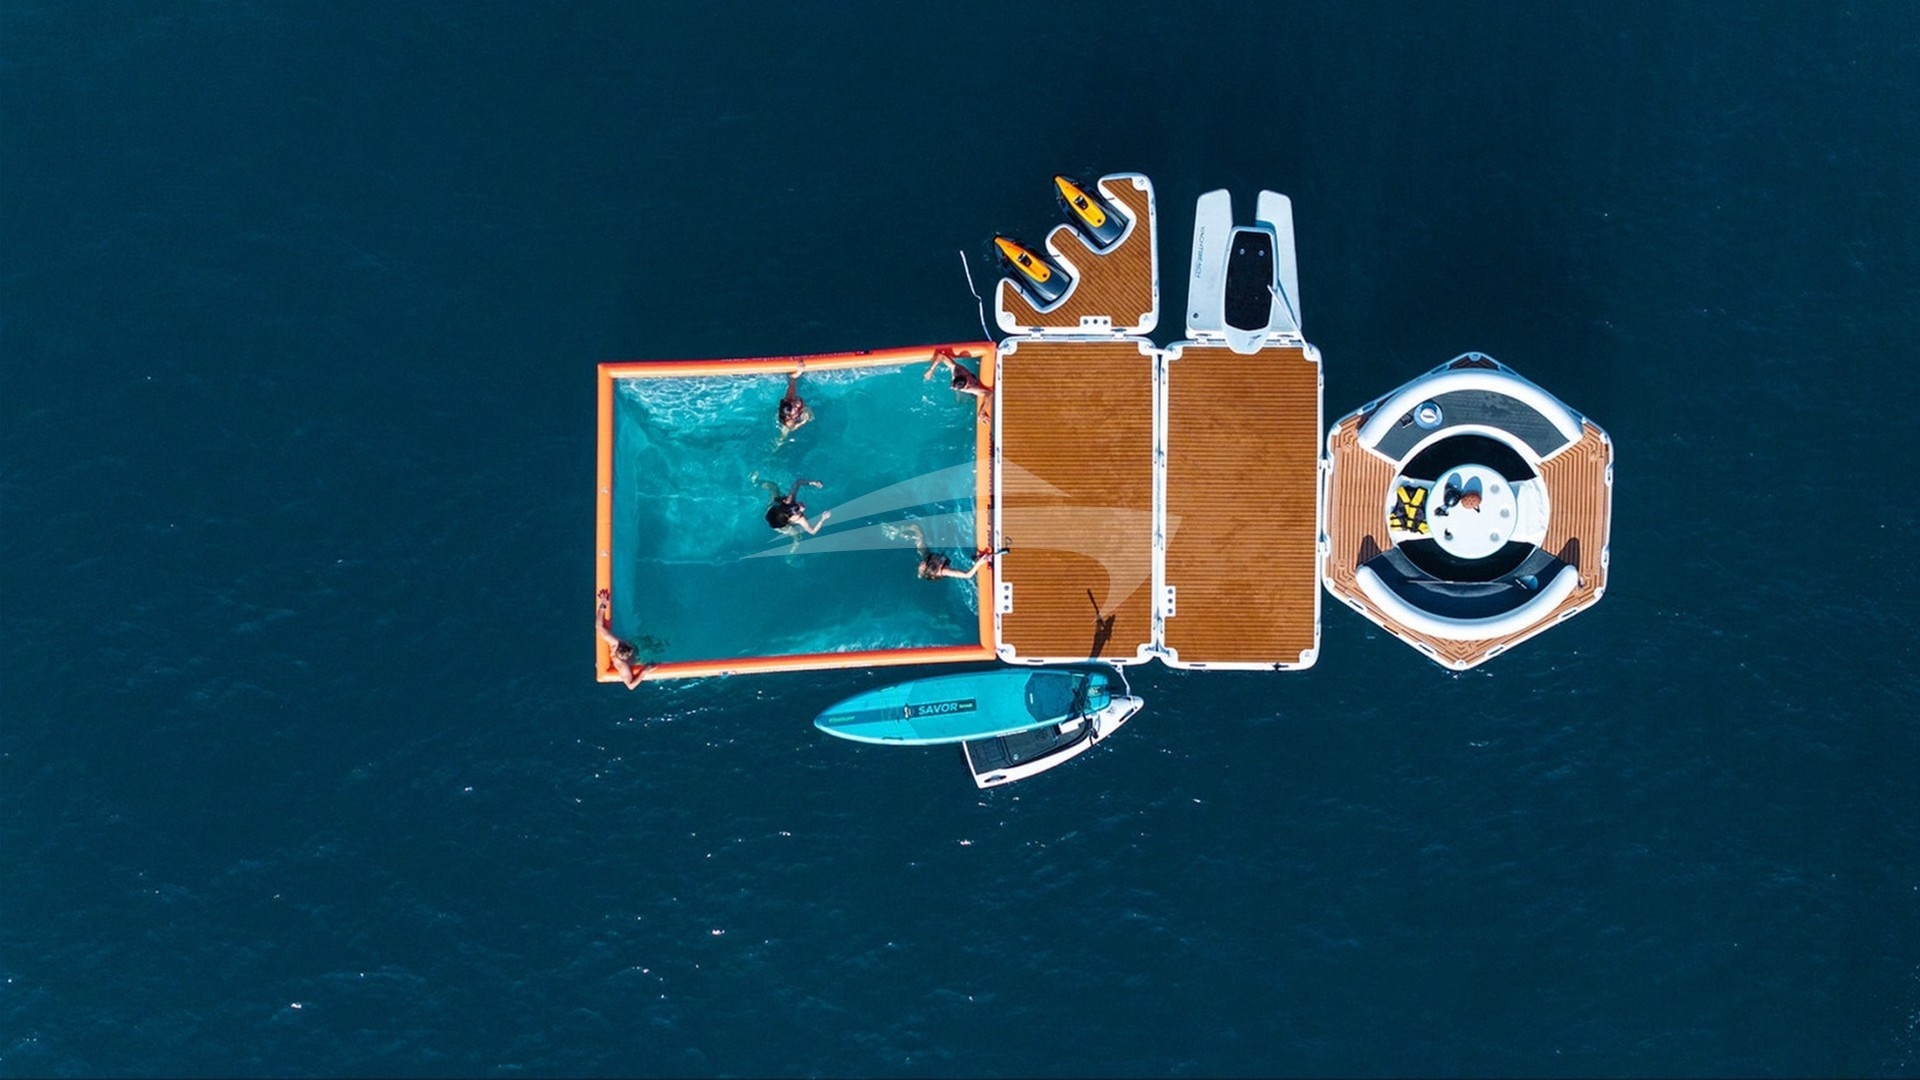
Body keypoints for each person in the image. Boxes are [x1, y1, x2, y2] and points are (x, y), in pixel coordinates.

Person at [896, 522, 1007, 580]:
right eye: (940, 561)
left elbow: (920, 542)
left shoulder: (926, 560)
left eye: (937, 558)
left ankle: (912, 529)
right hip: (934, 573)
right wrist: (979, 563)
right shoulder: (944, 570)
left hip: (927, 565)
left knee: (919, 536)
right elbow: (967, 575)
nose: (940, 559)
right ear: (940, 567)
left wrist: (915, 531)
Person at [596, 588, 646, 689]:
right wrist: (644, 672)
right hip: (636, 656)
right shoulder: (622, 661)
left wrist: (603, 605)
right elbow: (630, 686)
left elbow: (599, 626)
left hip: (633, 654)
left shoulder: (617, 648)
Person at [923, 347, 991, 421]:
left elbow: (989, 394)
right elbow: (941, 355)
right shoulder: (957, 370)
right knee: (959, 402)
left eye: (953, 387)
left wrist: (982, 411)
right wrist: (931, 370)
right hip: (965, 382)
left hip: (970, 387)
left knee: (962, 403)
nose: (951, 387)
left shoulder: (970, 388)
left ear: (965, 387)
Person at [759, 476, 830, 535]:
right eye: (798, 511)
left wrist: (813, 483)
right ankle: (795, 540)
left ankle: (757, 482)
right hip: (774, 519)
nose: (802, 507)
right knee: (794, 533)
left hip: (773, 508)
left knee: (774, 487)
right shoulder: (800, 519)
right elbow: (812, 531)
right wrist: (822, 519)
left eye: (796, 505)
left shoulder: (790, 500)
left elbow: (798, 482)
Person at [775, 359, 813, 443]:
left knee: (787, 429)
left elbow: (792, 378)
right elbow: (792, 425)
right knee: (788, 430)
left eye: (794, 406)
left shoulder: (790, 397)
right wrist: (802, 422)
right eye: (793, 417)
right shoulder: (795, 414)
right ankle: (779, 442)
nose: (796, 407)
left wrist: (799, 371)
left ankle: (780, 440)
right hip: (793, 419)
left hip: (787, 414)